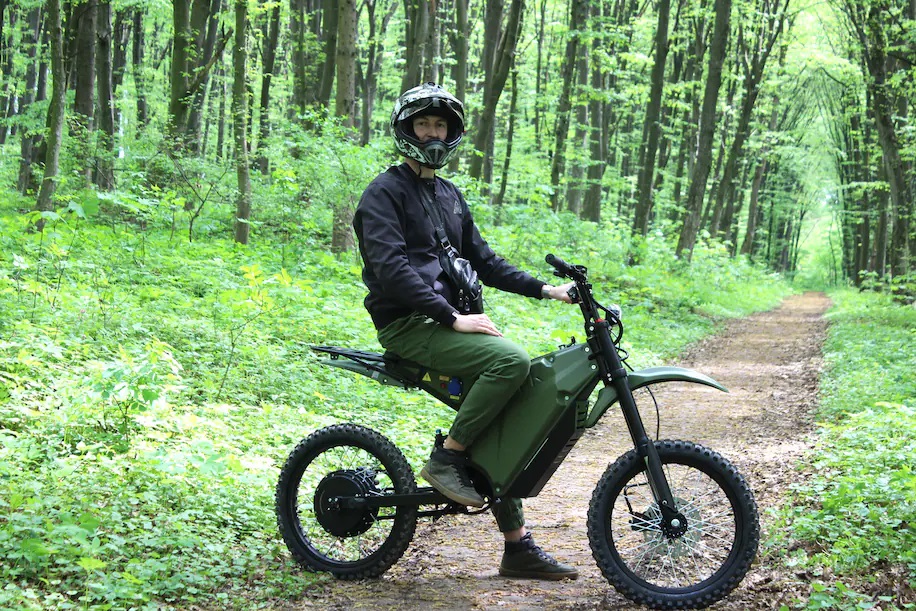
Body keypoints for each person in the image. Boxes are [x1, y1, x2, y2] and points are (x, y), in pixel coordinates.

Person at [352, 82, 578, 580]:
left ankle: (517, 548)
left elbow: (486, 262)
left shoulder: (448, 194)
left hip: (444, 321)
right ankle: (446, 458)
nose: (432, 133)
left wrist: (548, 290)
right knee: (510, 361)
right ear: (406, 130)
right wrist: (451, 317)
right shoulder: (383, 193)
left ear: (451, 133)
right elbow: (393, 271)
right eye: (423, 124)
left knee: (504, 422)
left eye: (440, 125)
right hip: (409, 324)